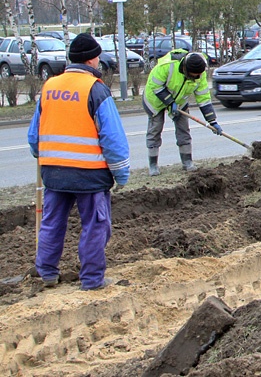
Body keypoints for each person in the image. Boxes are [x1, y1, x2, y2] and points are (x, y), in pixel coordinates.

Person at [28, 33, 130, 291]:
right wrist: (121, 173)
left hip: (53, 173)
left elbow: (34, 135)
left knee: (52, 222)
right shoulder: (95, 89)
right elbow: (112, 137)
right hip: (90, 174)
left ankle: (47, 273)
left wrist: (42, 154)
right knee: (95, 226)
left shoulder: (50, 86)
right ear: (93, 59)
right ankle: (92, 279)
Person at [143, 49, 221, 175]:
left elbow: (203, 98)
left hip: (179, 101)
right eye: (194, 75)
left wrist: (212, 121)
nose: (197, 77)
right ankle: (153, 165)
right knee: (155, 129)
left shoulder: (200, 75)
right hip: (155, 100)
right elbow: (155, 86)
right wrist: (170, 102)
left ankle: (187, 162)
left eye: (198, 75)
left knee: (183, 129)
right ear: (185, 69)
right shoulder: (167, 66)